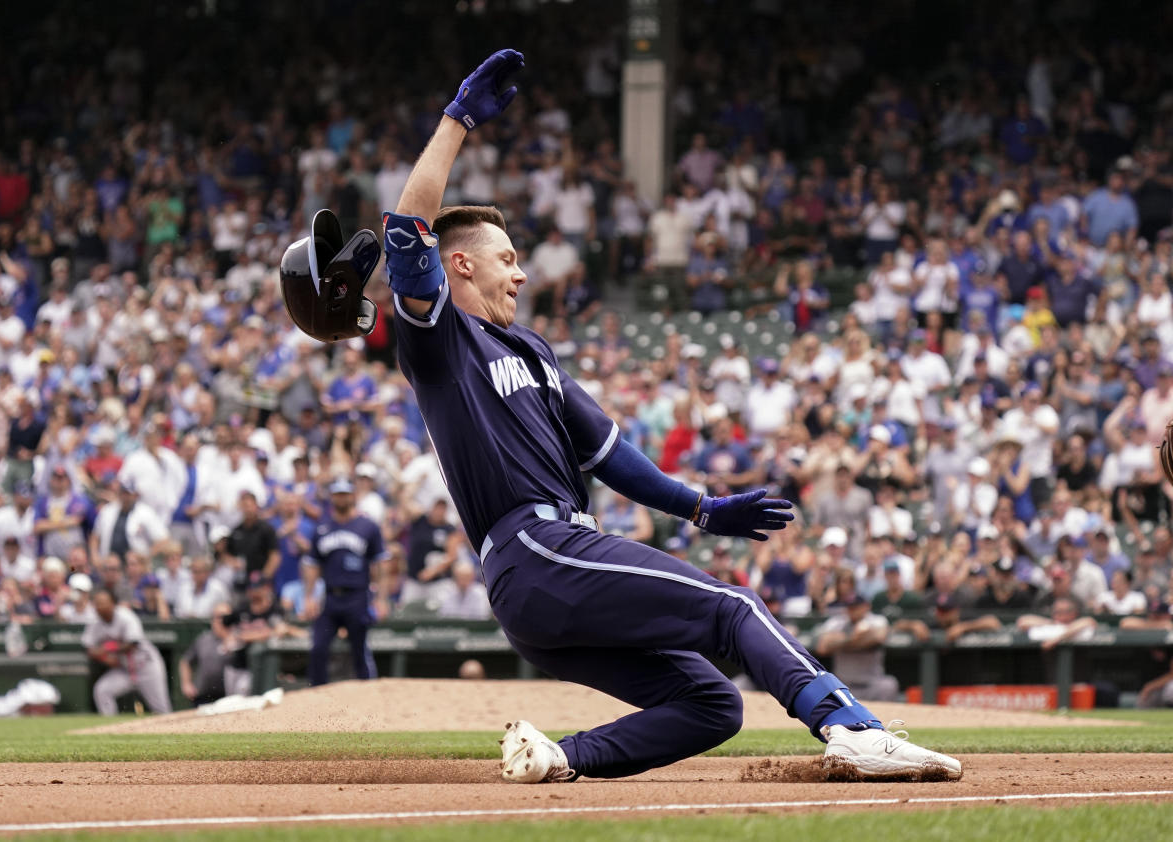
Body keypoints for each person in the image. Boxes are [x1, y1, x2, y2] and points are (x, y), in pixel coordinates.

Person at [309, 49, 959, 783]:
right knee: (732, 608)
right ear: (461, 266)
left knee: (712, 702)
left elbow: (613, 456)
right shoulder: (442, 340)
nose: (521, 272)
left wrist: (703, 509)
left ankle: (557, 758)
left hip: (551, 570)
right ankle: (852, 726)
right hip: (536, 549)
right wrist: (457, 120)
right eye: (507, 258)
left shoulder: (531, 347)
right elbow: (406, 230)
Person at [306, 478, 384, 686]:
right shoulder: (322, 528)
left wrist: (381, 599)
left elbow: (380, 564)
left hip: (357, 596)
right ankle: (317, 694)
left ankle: (368, 692)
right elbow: (312, 564)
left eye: (345, 493)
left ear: (353, 495)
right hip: (330, 597)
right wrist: (309, 596)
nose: (341, 498)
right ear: (332, 497)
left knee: (360, 649)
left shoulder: (367, 526)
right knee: (318, 648)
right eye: (337, 494)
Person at [82, 588, 172, 715]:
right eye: (97, 603)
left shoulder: (126, 616)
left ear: (113, 603)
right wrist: (105, 658)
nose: (100, 606)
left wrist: (107, 648)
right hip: (124, 670)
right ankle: (109, 728)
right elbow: (88, 648)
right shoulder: (94, 622)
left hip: (146, 667)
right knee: (102, 691)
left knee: (162, 709)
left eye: (103, 602)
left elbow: (132, 644)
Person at [813, 593, 899, 701]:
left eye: (856, 607)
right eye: (849, 607)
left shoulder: (876, 620)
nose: (852, 611)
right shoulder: (838, 622)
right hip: (844, 686)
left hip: (872, 685)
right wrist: (853, 638)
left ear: (866, 606)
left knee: (889, 685)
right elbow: (822, 647)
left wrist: (841, 642)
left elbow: (879, 637)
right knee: (826, 685)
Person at [179, 602, 237, 706]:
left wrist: (228, 637)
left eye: (225, 617)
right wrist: (186, 684)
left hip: (229, 698)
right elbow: (185, 661)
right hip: (203, 697)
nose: (222, 620)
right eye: (218, 617)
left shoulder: (239, 637)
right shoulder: (203, 639)